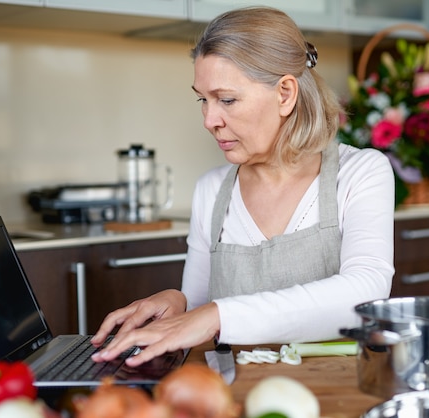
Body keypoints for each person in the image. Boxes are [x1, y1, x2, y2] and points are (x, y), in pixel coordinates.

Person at [91, 6, 394, 367]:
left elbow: (365, 294)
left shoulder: (360, 173)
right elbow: (201, 316)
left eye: (227, 100)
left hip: (337, 392)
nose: (209, 120)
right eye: (203, 99)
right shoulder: (211, 191)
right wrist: (181, 302)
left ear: (285, 94)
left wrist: (217, 315)